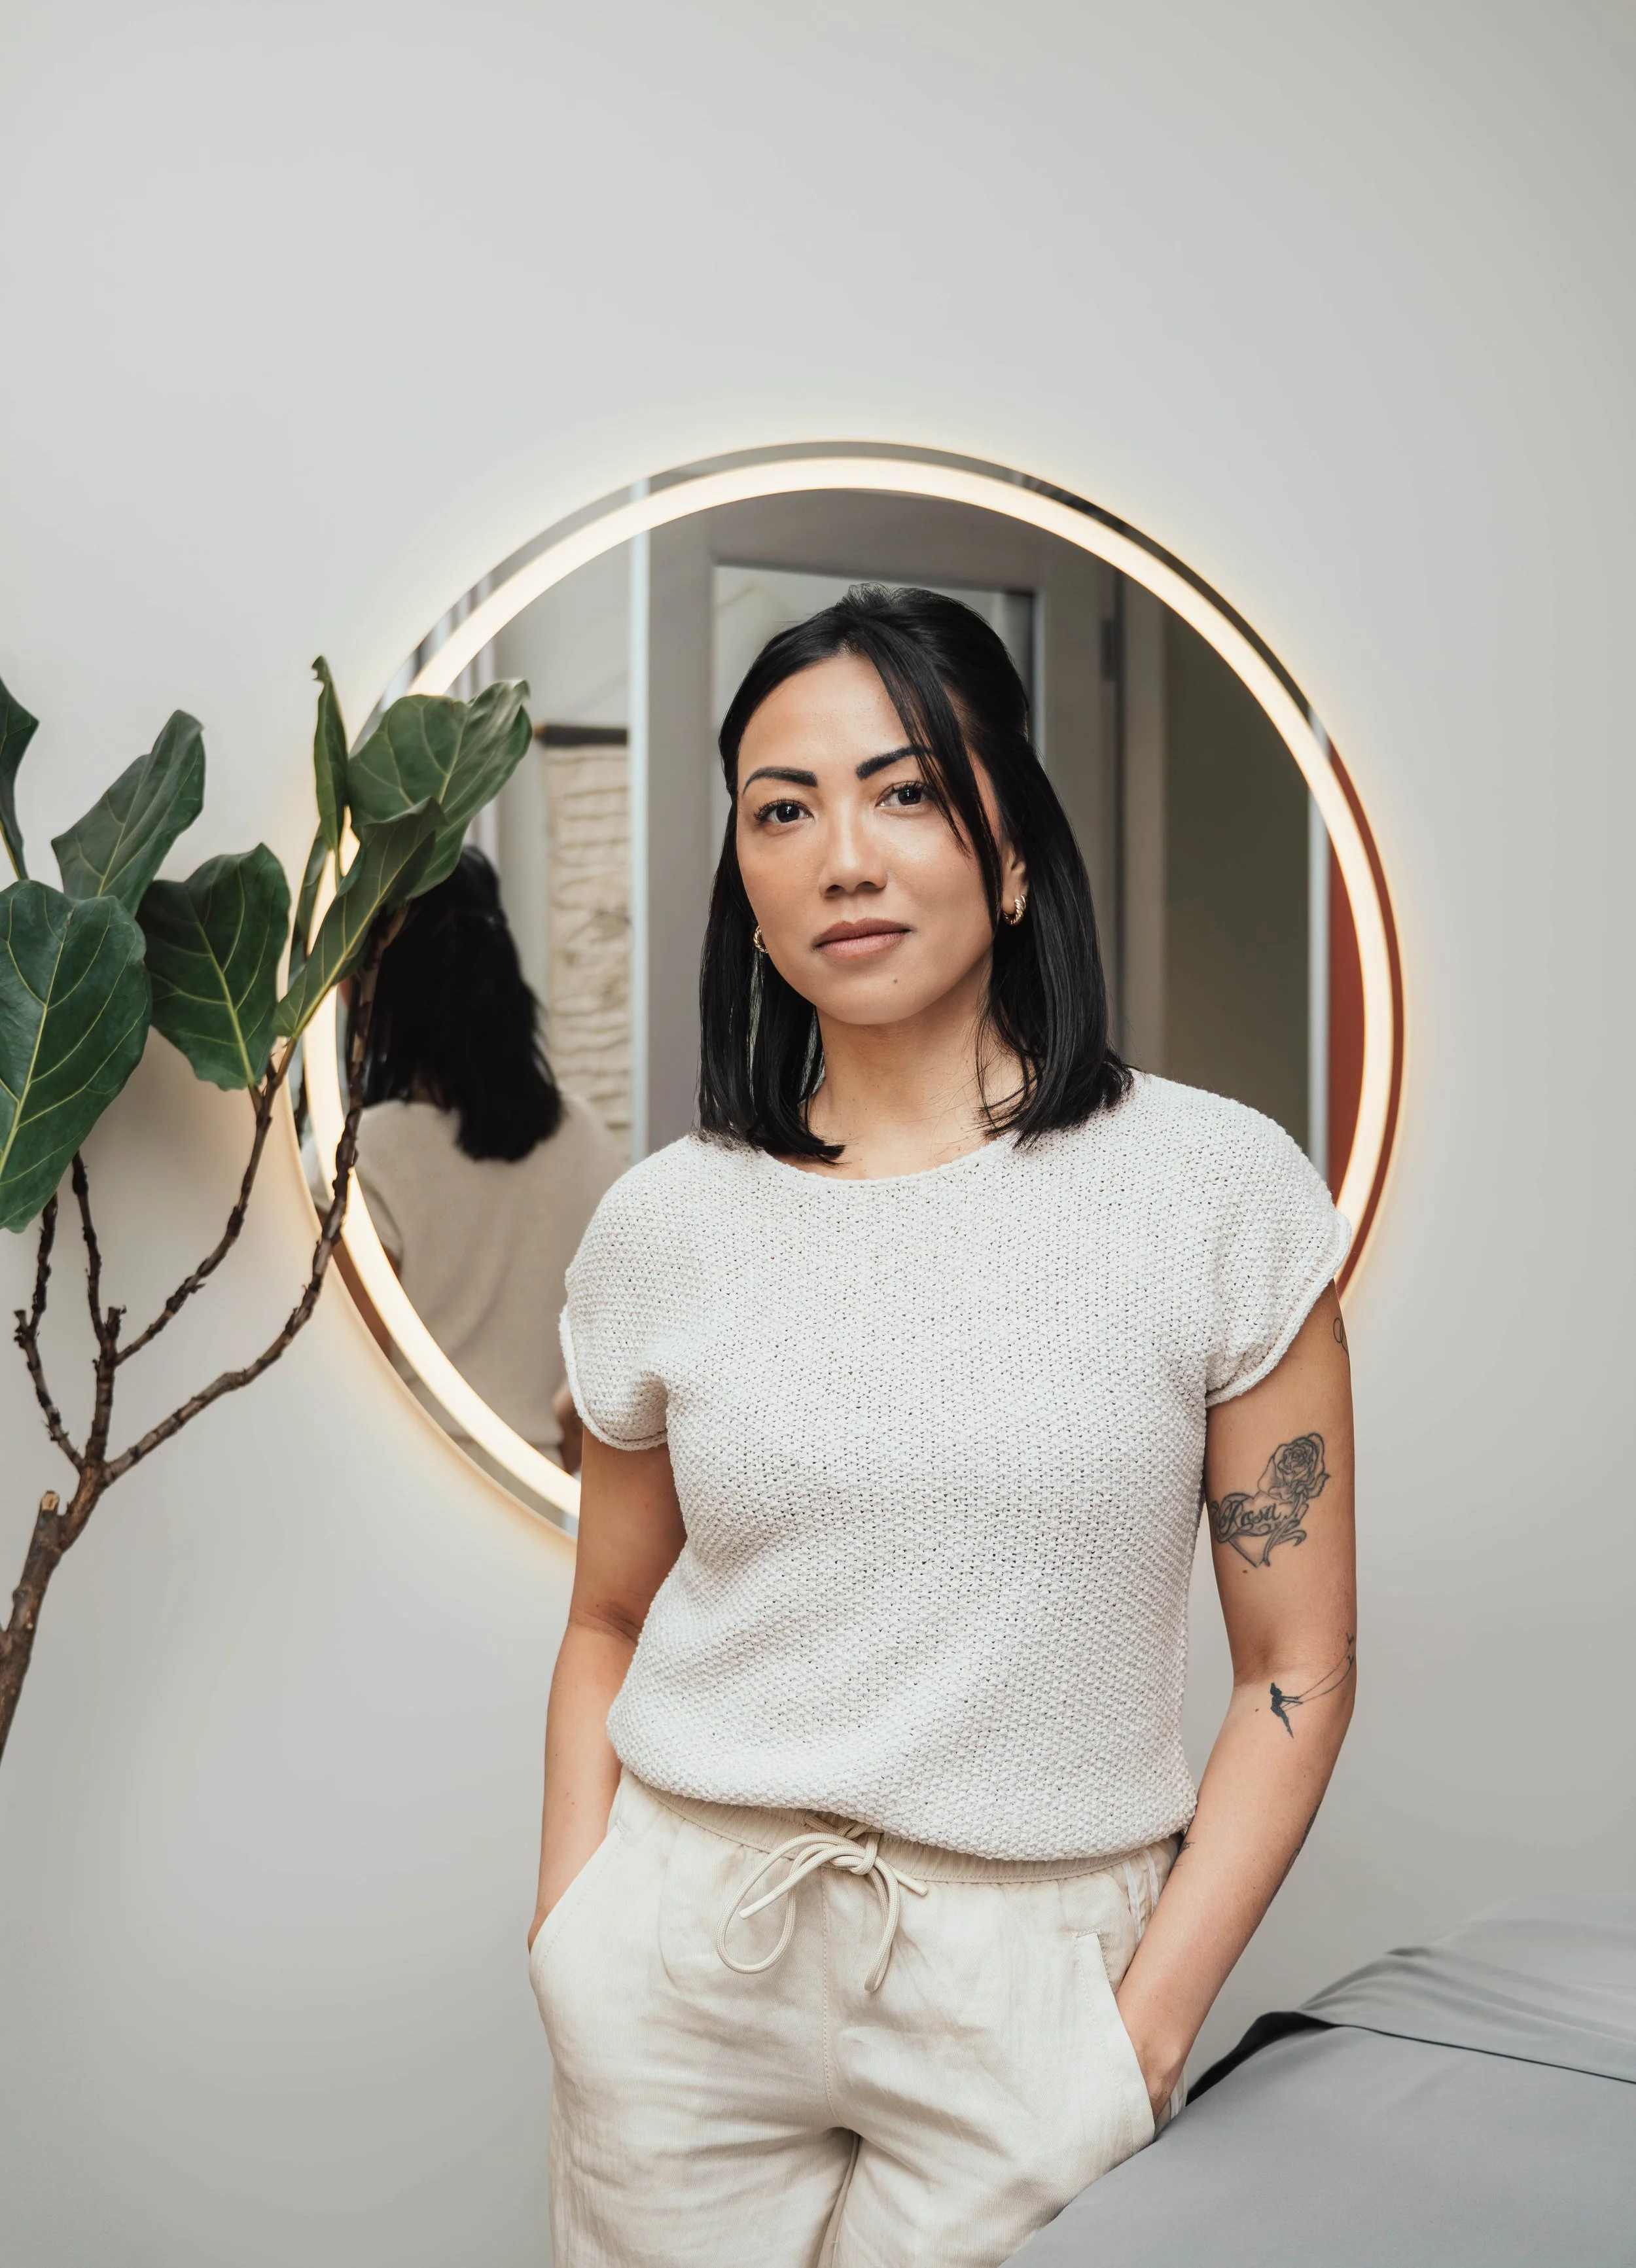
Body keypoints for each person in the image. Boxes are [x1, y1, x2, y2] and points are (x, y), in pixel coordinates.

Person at [529, 588, 1356, 2265]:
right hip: (685, 1959)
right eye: (782, 811)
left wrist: (1140, 2036)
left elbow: (1298, 1664)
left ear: (1017, 855)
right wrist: (571, 1930)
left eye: (903, 791)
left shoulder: (1212, 1191)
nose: (842, 856)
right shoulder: (663, 1224)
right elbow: (607, 1614)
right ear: (745, 885)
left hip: (1030, 1981)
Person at [354, 846, 622, 1477]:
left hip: (404, 1495)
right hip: (532, 1503)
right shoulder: (586, 1138)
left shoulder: (369, 1157)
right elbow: (618, 1373)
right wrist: (546, 1443)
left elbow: (345, 1386)